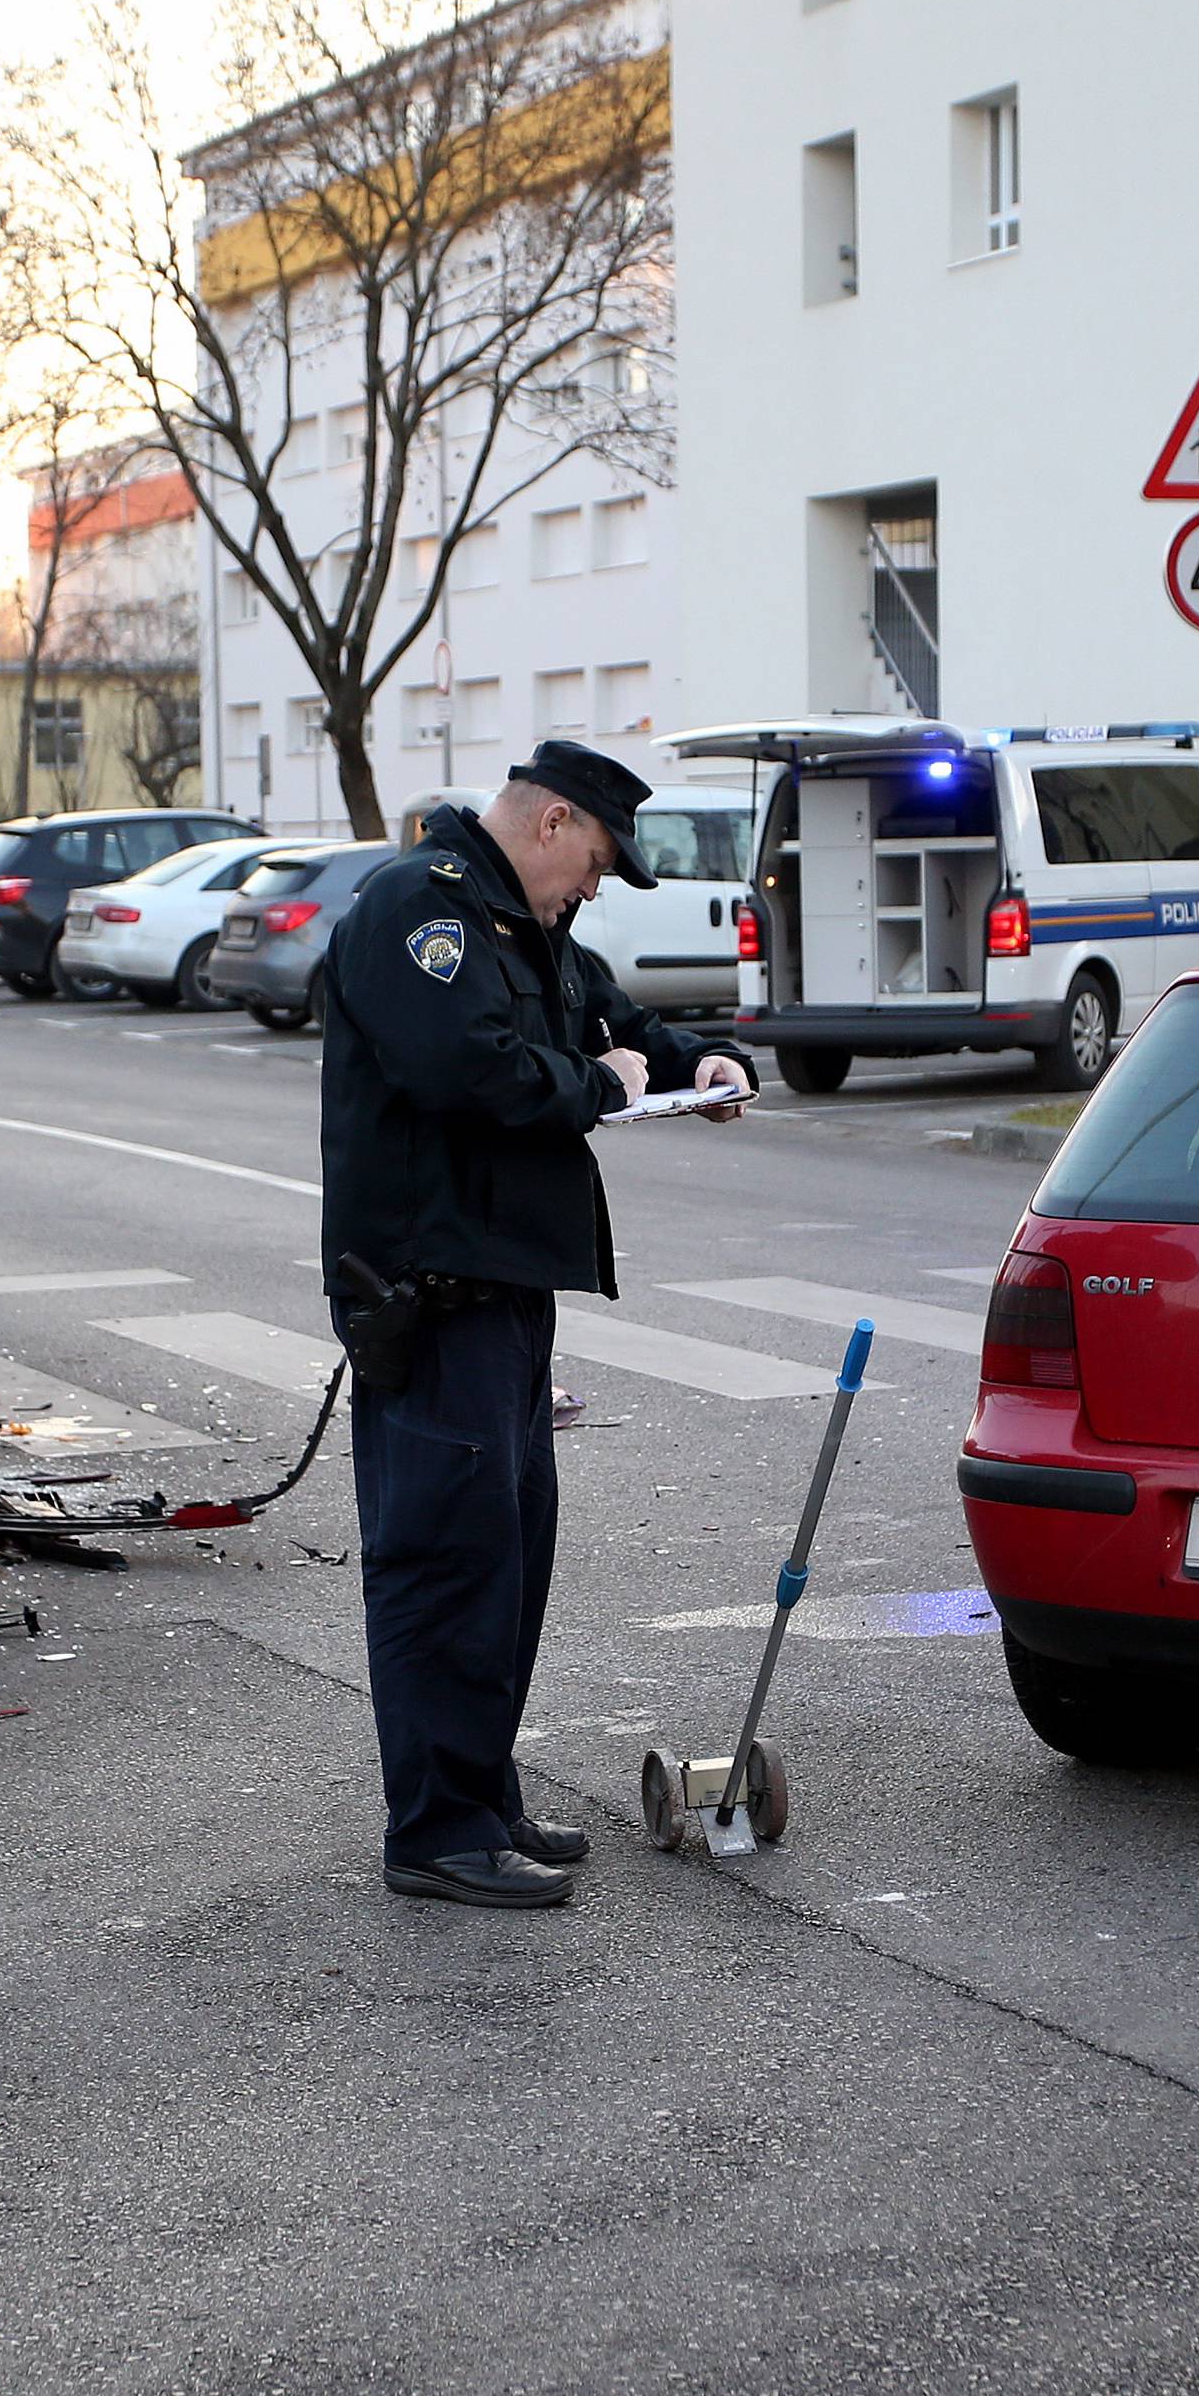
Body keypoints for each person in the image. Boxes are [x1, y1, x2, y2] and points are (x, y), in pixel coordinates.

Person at [319, 740, 754, 1909]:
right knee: (442, 1566)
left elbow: (609, 1021)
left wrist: (699, 1061)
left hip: (503, 1290)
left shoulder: (524, 926)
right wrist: (604, 1084)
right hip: (430, 1292)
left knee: (506, 1561)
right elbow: (473, 1071)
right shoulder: (425, 909)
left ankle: (483, 1795)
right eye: (598, 863)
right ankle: (438, 1829)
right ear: (554, 820)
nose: (594, 889)